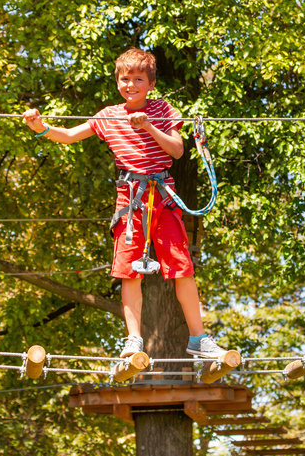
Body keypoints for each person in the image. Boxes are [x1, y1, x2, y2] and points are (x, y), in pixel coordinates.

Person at [22, 48, 227, 360]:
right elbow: (69, 135)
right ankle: (134, 339)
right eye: (125, 79)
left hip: (163, 195)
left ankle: (198, 338)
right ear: (117, 82)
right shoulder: (107, 116)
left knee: (183, 268)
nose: (131, 84)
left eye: (138, 79)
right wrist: (41, 128)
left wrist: (148, 126)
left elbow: (176, 150)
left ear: (151, 84)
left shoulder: (163, 109)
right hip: (130, 197)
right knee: (129, 270)